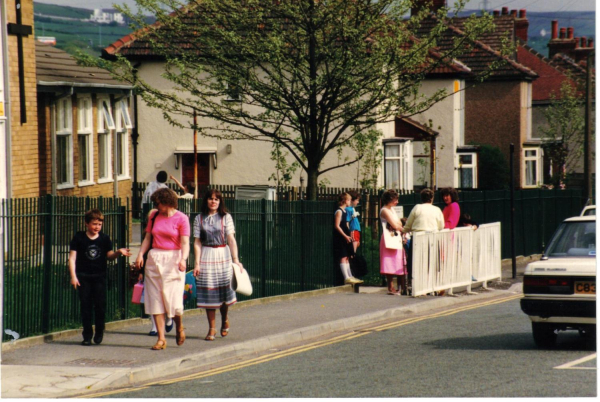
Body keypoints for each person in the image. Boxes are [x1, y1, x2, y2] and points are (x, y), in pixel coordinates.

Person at [134, 188, 190, 350]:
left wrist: (183, 259)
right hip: (155, 259)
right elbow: (148, 238)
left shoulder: (182, 218)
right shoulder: (154, 216)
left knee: (173, 300)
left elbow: (185, 242)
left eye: (158, 203)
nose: (156, 205)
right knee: (155, 298)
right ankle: (161, 339)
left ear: (167, 202)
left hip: (174, 259)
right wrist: (140, 255)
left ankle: (179, 326)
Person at [69, 209, 131, 346]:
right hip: (83, 276)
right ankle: (86, 335)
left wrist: (118, 252)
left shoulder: (104, 238)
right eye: (94, 224)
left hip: (99, 277)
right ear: (86, 224)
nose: (97, 227)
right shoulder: (79, 238)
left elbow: (109, 256)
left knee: (100, 306)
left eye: (99, 224)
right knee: (85, 306)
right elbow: (72, 258)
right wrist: (73, 276)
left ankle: (99, 331)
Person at [193, 189, 244, 341]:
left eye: (216, 199)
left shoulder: (226, 217)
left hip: (223, 255)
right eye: (210, 198)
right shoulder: (199, 218)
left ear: (220, 201)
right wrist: (197, 263)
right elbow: (196, 242)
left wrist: (236, 259)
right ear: (206, 201)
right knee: (209, 294)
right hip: (206, 255)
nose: (213, 201)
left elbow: (231, 239)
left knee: (223, 292)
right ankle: (211, 329)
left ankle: (225, 318)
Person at [403, 188, 445, 295]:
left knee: (415, 263)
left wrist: (403, 230)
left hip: (418, 238)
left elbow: (408, 224)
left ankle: (417, 286)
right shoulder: (437, 209)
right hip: (432, 238)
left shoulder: (417, 208)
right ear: (432, 198)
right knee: (432, 262)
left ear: (421, 198)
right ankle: (431, 286)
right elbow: (441, 226)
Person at [379, 190, 407, 295]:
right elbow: (395, 225)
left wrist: (398, 225)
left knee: (399, 261)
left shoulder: (392, 210)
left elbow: (398, 222)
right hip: (389, 238)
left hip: (395, 237)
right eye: (395, 200)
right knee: (389, 262)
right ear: (390, 199)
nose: (397, 202)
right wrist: (400, 227)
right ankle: (390, 287)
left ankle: (401, 287)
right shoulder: (384, 210)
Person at [333, 192, 362, 285]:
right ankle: (346, 277)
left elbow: (346, 224)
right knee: (343, 256)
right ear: (345, 201)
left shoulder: (345, 211)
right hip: (340, 237)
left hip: (345, 236)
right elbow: (337, 225)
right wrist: (345, 235)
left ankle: (350, 276)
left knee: (346, 256)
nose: (350, 202)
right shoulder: (339, 211)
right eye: (349, 200)